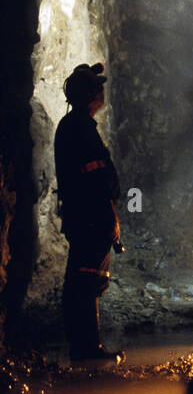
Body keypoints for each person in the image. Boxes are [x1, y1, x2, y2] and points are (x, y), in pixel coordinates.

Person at [54, 62, 124, 361]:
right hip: (91, 215)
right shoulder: (80, 127)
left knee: (85, 277)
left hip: (83, 213)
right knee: (88, 278)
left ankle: (83, 346)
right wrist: (109, 212)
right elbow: (96, 175)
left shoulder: (73, 125)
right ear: (90, 94)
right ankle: (88, 349)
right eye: (97, 87)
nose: (102, 91)